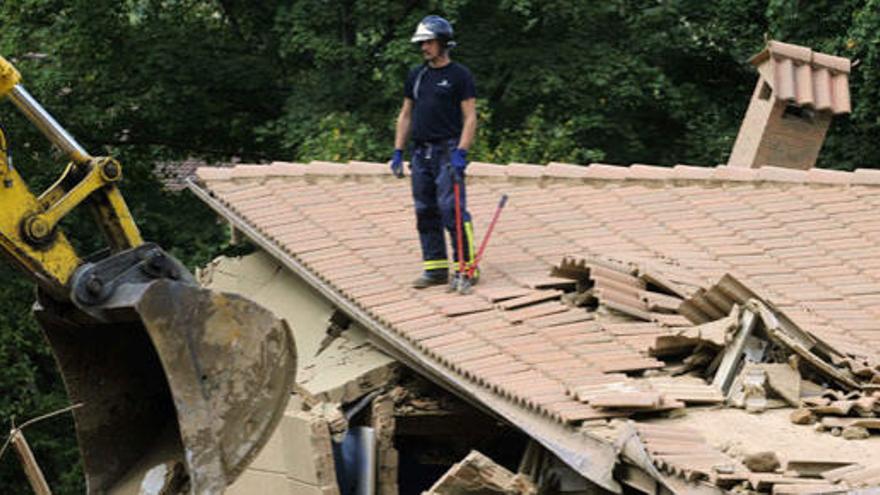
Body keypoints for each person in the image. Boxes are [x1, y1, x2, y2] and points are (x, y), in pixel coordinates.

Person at [390, 15, 478, 290]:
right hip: (421, 153)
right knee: (425, 210)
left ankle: (466, 268)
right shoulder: (417, 75)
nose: (423, 48)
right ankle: (436, 269)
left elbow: (471, 117)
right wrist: (397, 151)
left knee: (451, 210)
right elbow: (406, 114)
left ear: (443, 42)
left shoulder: (459, 75)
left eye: (428, 42)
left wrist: (461, 152)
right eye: (422, 43)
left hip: (447, 150)